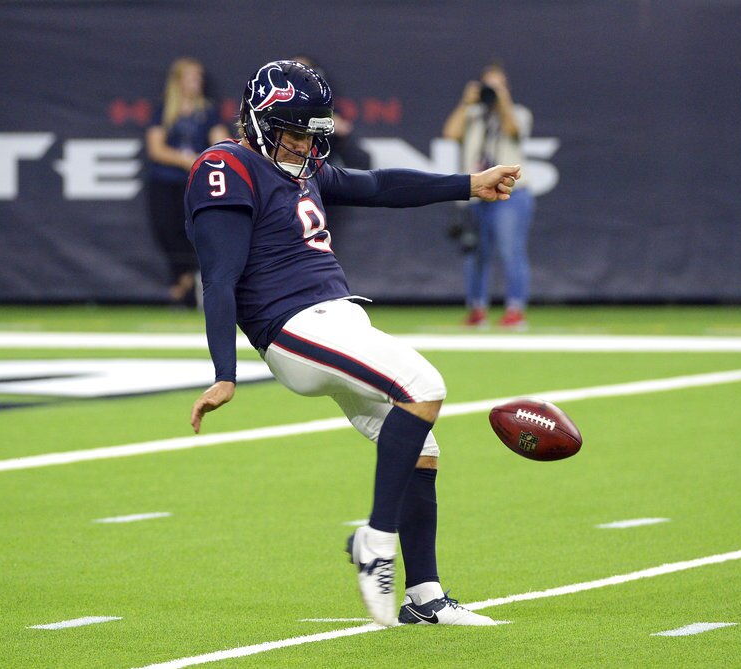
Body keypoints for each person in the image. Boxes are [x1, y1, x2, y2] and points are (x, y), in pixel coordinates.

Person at [184, 60, 521, 627]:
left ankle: (425, 597)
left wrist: (469, 185)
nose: (304, 145)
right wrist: (225, 372)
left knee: (421, 446)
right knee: (424, 386)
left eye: (311, 134)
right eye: (294, 133)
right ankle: (375, 538)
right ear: (260, 122)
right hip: (293, 325)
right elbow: (219, 278)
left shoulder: (301, 169)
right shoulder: (226, 166)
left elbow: (380, 186)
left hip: (336, 318)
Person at [443, 63, 535, 328]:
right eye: (489, 85)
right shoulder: (472, 115)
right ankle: (477, 309)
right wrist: (465, 102)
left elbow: (513, 130)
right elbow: (450, 133)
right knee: (475, 253)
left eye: (498, 85)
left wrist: (502, 99)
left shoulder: (519, 113)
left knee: (511, 251)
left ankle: (515, 309)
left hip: (511, 193)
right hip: (477, 192)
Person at [145, 58, 230, 307]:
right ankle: (183, 279)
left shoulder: (207, 111)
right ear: (179, 81)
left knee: (196, 231)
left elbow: (220, 141)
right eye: (192, 77)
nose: (197, 82)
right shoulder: (164, 110)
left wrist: (223, 153)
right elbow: (156, 148)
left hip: (195, 182)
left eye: (199, 77)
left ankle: (186, 285)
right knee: (166, 230)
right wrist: (185, 159)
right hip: (165, 182)